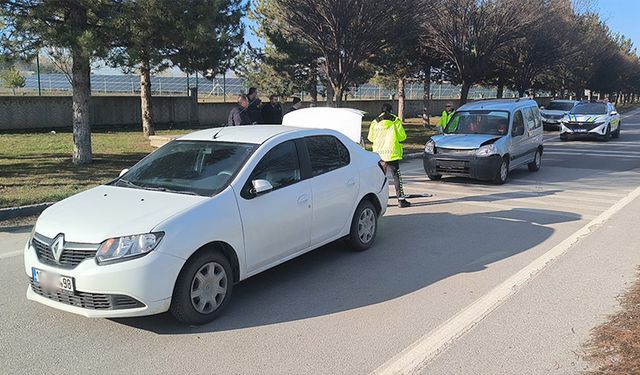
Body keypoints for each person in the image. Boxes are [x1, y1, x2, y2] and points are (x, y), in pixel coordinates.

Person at [367, 103, 411, 208]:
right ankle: (401, 200)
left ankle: (379, 201)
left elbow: (370, 138)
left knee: (380, 178)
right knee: (396, 176)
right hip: (392, 154)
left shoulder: (375, 121)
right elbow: (402, 137)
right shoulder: (395, 120)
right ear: (391, 110)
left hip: (379, 154)